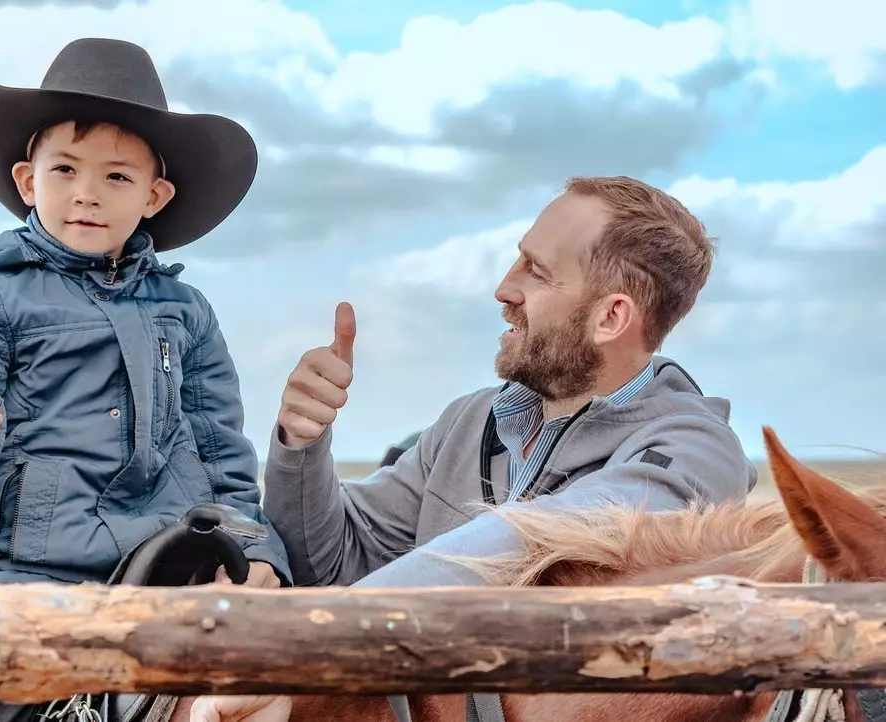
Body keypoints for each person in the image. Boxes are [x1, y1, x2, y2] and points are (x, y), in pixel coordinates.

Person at [192, 175, 761, 721]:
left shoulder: (694, 453)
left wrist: (296, 649)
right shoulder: (471, 420)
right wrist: (302, 444)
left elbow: (528, 543)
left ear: (611, 316)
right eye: (519, 259)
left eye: (537, 272)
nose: (504, 288)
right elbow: (333, 560)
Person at [0, 39, 288, 599]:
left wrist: (252, 546)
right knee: (0, 678)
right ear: (29, 182)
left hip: (166, 571)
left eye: (117, 177)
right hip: (24, 576)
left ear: (155, 195)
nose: (87, 194)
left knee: (284, 667)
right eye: (66, 169)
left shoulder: (187, 312)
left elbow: (222, 458)